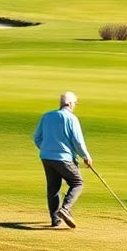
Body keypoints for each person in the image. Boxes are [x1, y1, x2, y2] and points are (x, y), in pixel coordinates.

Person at [32, 91, 92, 228]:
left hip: (46, 157)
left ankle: (55, 220)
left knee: (53, 188)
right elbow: (78, 141)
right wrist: (86, 156)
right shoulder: (71, 118)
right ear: (70, 103)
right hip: (64, 158)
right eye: (75, 103)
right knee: (77, 182)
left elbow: (37, 138)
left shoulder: (47, 116)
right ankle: (65, 209)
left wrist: (47, 148)